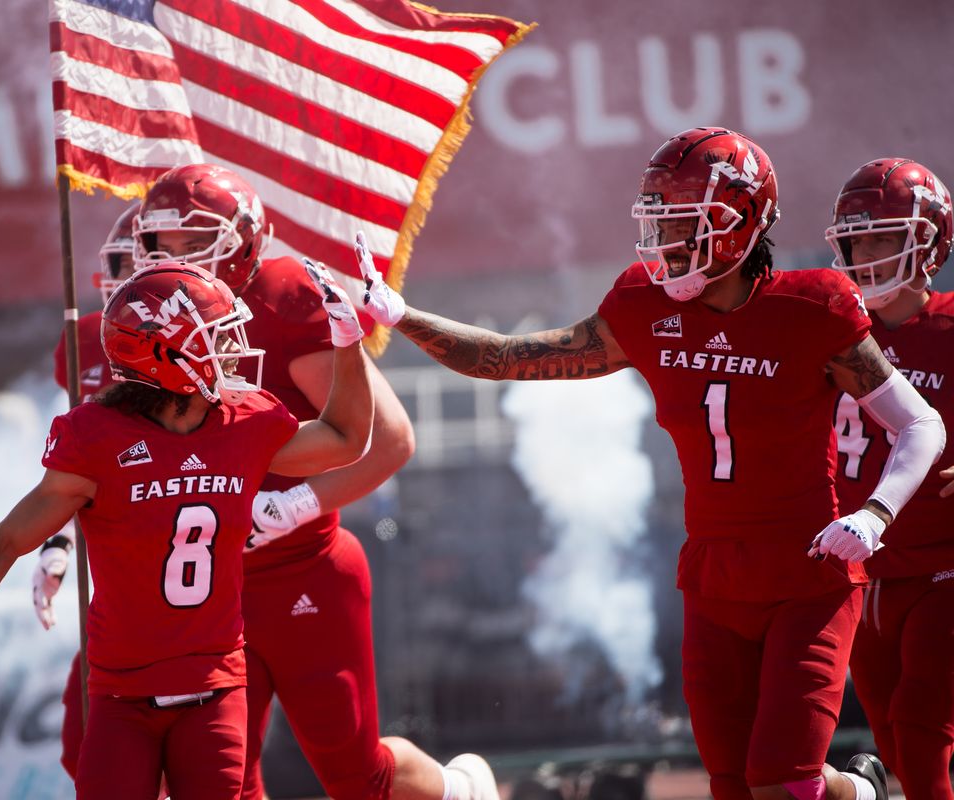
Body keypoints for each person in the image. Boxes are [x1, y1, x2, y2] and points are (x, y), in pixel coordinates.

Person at [354, 127, 947, 800]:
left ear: (738, 226)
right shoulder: (642, 306)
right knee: (731, 784)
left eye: (683, 226)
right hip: (714, 576)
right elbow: (505, 356)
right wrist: (401, 315)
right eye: (659, 226)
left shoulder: (815, 306)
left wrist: (875, 512)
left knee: (782, 782)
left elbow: (919, 422)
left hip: (806, 576)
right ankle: (862, 793)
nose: (665, 246)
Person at [38, 163, 499, 800]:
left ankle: (461, 790)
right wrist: (59, 541)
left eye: (193, 243)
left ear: (246, 241)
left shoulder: (282, 296)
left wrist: (288, 507)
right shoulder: (118, 335)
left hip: (297, 569)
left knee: (356, 778)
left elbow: (387, 440)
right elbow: (99, 469)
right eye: (158, 247)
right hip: (197, 599)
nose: (172, 265)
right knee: (204, 777)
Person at [0, 260, 374, 799]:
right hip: (123, 697)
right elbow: (8, 539)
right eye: (217, 337)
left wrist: (347, 340)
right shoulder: (96, 438)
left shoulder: (246, 421)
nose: (234, 350)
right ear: (167, 355)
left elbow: (347, 438)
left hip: (214, 690)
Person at [826, 158, 954, 799]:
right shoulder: (829, 328)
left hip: (944, 563)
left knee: (921, 723)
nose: (867, 253)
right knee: (897, 744)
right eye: (859, 238)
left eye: (883, 236)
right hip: (865, 570)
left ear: (928, 238)